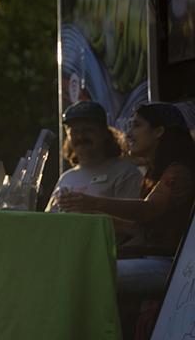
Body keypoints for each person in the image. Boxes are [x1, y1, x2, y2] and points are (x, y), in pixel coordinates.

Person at [61, 102, 195, 298]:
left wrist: (93, 203)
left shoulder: (178, 172)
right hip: (153, 259)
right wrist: (92, 218)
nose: (128, 134)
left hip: (172, 265)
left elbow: (148, 209)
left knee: (90, 275)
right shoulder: (155, 173)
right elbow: (139, 227)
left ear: (158, 131)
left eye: (137, 125)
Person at [46, 101, 143, 212]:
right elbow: (49, 220)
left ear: (104, 133)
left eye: (88, 130)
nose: (81, 136)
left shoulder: (125, 172)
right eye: (74, 131)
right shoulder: (66, 177)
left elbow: (133, 224)